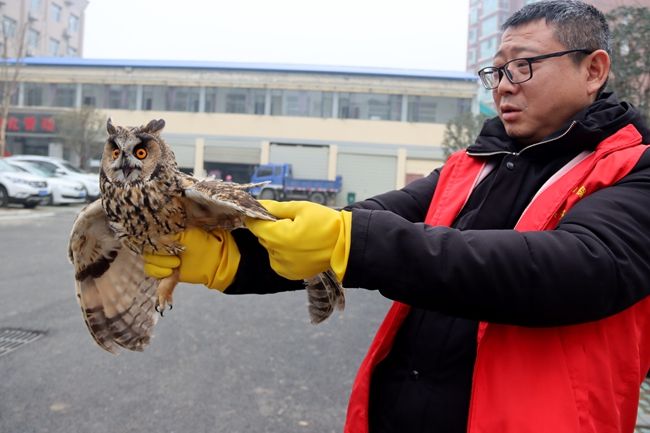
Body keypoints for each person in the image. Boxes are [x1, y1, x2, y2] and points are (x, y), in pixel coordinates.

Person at [143, 1, 650, 431]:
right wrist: (234, 258)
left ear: (593, 70)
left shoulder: (635, 168)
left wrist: (355, 241)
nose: (503, 86)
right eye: (496, 71)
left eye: (523, 66)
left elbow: (580, 266)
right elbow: (355, 223)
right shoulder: (469, 167)